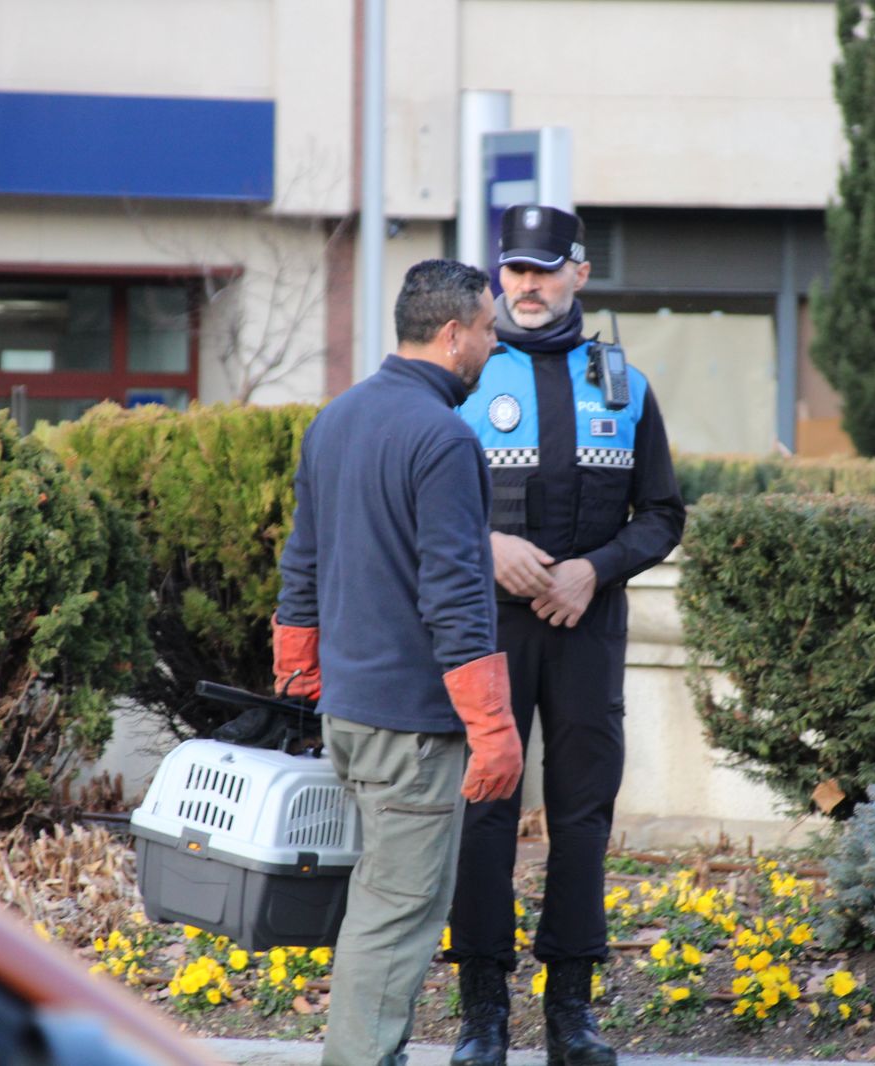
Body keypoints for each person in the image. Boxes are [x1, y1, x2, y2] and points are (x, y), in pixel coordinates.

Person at [447, 206, 686, 1066]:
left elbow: (663, 515)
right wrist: (489, 547)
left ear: (579, 273)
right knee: (485, 812)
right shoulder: (465, 378)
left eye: (544, 270)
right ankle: (482, 1016)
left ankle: (571, 1015)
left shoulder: (625, 384)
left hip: (587, 627)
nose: (528, 286)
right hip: (488, 631)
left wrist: (598, 569)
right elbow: (419, 510)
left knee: (583, 817)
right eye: (514, 270)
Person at [275, 259, 526, 1066]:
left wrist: (301, 677)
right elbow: (456, 595)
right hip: (413, 732)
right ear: (452, 336)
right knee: (395, 920)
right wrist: (494, 728)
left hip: (350, 715)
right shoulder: (444, 439)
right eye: (488, 330)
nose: (494, 343)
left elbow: (300, 566)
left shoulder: (336, 420)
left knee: (374, 910)